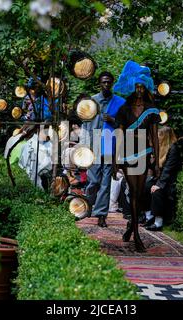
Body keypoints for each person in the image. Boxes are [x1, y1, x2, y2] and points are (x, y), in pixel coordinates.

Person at [113, 60, 161, 251]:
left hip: (145, 152)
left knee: (140, 194)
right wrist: (115, 160)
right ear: (133, 86)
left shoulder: (151, 109)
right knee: (134, 192)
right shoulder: (124, 108)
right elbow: (118, 134)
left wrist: (156, 161)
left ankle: (130, 227)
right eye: (137, 86)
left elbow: (154, 137)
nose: (139, 90)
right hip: (127, 153)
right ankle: (137, 236)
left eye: (142, 87)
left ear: (146, 87)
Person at [80, 72, 126, 227]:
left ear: (112, 83)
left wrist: (113, 120)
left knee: (106, 182)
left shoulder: (120, 103)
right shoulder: (92, 101)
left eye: (109, 82)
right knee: (93, 181)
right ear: (99, 83)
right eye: (103, 82)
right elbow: (85, 125)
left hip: (109, 145)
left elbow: (125, 126)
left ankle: (101, 215)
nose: (106, 85)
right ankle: (88, 206)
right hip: (93, 146)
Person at [143, 127, 183, 231]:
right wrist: (151, 159)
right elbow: (154, 167)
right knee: (144, 186)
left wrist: (158, 185)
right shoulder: (160, 147)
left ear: (166, 137)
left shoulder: (173, 149)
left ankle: (158, 222)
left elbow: (168, 170)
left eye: (160, 135)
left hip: (169, 180)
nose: (157, 137)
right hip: (160, 177)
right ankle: (148, 216)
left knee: (157, 191)